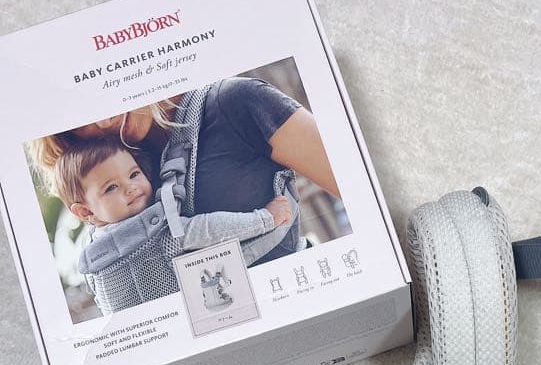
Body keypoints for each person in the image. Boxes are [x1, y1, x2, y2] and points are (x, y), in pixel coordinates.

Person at [31, 76, 340, 267]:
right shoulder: (104, 188)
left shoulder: (236, 102)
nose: (104, 120)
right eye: (82, 117)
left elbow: (355, 183)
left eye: (102, 93)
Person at [50, 136, 294, 315]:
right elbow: (211, 229)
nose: (130, 187)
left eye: (134, 174)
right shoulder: (158, 231)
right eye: (111, 187)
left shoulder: (91, 259)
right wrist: (264, 218)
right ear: (85, 211)